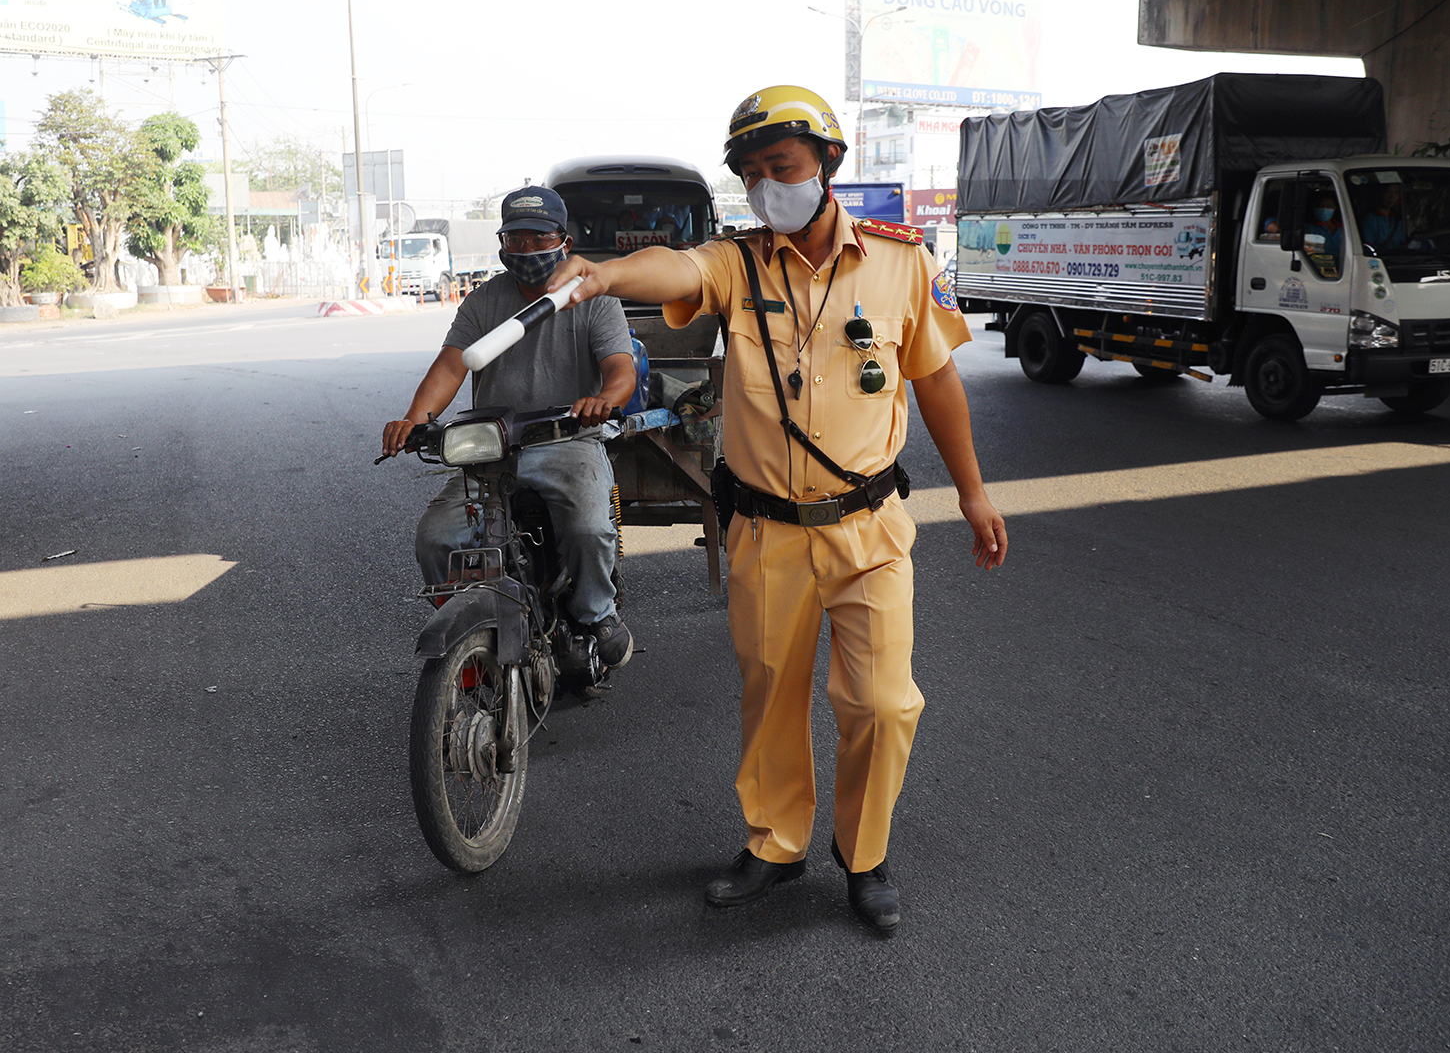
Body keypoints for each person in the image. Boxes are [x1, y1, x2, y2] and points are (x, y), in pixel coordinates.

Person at [545, 86, 1008, 930]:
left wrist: (974, 493)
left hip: (869, 528)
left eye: (781, 168)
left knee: (882, 702)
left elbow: (935, 377)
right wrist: (607, 273)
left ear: (827, 163)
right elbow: (676, 269)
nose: (766, 187)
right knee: (772, 694)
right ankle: (774, 843)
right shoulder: (736, 261)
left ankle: (863, 854)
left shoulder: (901, 261)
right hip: (764, 529)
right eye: (751, 174)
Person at [381, 185, 638, 667]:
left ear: (564, 239)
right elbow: (450, 367)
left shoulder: (594, 299)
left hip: (568, 439)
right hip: (491, 449)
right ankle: (464, 631)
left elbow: (621, 370)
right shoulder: (481, 303)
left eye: (539, 239)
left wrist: (603, 399)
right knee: (435, 538)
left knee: (586, 528)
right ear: (501, 244)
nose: (527, 250)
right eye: (516, 239)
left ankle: (595, 613)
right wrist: (414, 421)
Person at [1302, 192, 1345, 277]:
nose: (1324, 209)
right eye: (1320, 206)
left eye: (1328, 206)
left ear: (1334, 208)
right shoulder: (1309, 229)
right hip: (1319, 271)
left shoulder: (1343, 229)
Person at [1359, 182, 1406, 251]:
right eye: (1388, 192)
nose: (1392, 197)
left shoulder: (1397, 220)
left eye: (1396, 193)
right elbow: (1368, 246)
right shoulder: (1370, 219)